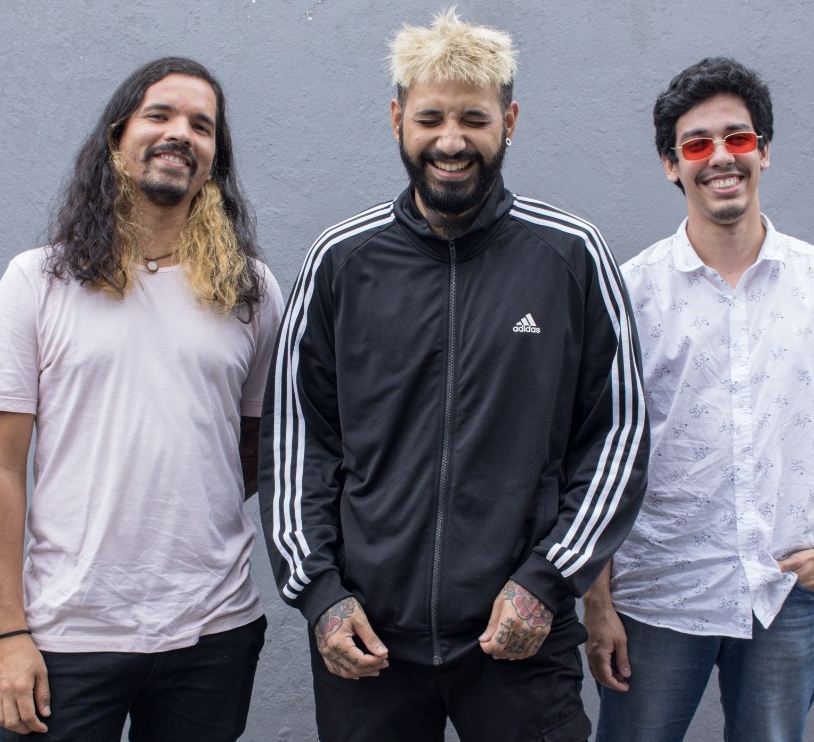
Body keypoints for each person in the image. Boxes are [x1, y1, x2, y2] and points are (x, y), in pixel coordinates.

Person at [258, 9, 648, 742]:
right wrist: (319, 594)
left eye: (474, 118)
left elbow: (616, 437)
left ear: (509, 121)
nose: (450, 140)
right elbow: (297, 441)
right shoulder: (340, 261)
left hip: (521, 635)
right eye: (430, 118)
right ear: (397, 119)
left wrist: (547, 581)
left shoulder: (569, 254)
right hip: (365, 636)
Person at [0, 57, 283, 741]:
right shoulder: (37, 281)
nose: (181, 134)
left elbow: (257, 441)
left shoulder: (250, 291)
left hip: (214, 629)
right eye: (159, 115)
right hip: (68, 631)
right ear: (117, 137)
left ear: (214, 159)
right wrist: (8, 633)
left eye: (201, 126)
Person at [584, 57, 814, 742]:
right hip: (658, 597)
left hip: (784, 595)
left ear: (763, 151)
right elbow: (596, 456)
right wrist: (596, 603)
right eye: (696, 144)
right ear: (671, 165)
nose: (720, 156)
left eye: (737, 138)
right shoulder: (631, 294)